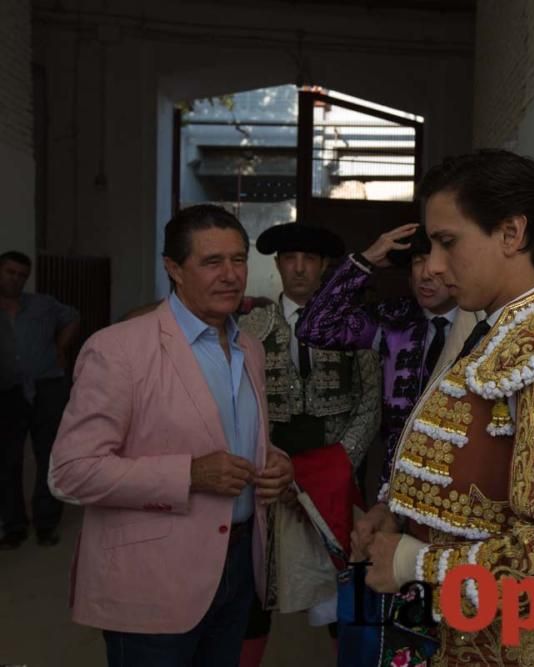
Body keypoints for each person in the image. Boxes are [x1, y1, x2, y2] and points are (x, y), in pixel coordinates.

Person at [353, 150, 534, 666]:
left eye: (448, 242)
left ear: (512, 234)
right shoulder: (500, 330)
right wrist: (394, 512)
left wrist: (416, 561)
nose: (436, 265)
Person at [48, 204, 294, 666]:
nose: (230, 275)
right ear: (174, 269)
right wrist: (190, 475)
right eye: (211, 262)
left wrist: (272, 460)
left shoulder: (249, 348)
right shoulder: (118, 349)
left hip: (238, 564)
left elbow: (236, 434)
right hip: (151, 579)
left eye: (238, 260)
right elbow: (70, 473)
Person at [238, 222, 381, 665]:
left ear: (323, 266)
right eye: (289, 258)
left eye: (309, 259)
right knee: (253, 592)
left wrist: (343, 460)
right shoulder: (250, 326)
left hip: (336, 474)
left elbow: (370, 399)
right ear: (278, 264)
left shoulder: (355, 325)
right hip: (269, 475)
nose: (298, 268)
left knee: (347, 585)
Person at [295, 224, 459, 503]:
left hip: (462, 479)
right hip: (395, 482)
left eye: (436, 262)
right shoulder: (392, 319)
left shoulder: (485, 322)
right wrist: (364, 261)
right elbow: (313, 328)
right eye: (418, 261)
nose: (426, 273)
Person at [0, 250, 79, 548]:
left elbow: (72, 317)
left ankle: (46, 523)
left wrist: (61, 347)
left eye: (22, 275)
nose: (16, 279)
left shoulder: (42, 305)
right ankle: (14, 526)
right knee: (8, 461)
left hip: (48, 387)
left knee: (50, 456)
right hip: (7, 392)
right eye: (10, 272)